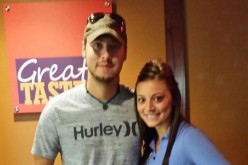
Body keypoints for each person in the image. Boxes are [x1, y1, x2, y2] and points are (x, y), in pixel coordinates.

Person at [31, 12, 140, 165]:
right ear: (83, 48)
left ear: (125, 52)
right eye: (97, 46)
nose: (106, 55)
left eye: (114, 46)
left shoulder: (142, 107)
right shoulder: (56, 111)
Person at [135, 59, 230, 165]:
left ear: (174, 97)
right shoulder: (152, 144)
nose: (149, 108)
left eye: (157, 98)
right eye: (142, 100)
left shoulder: (189, 138)